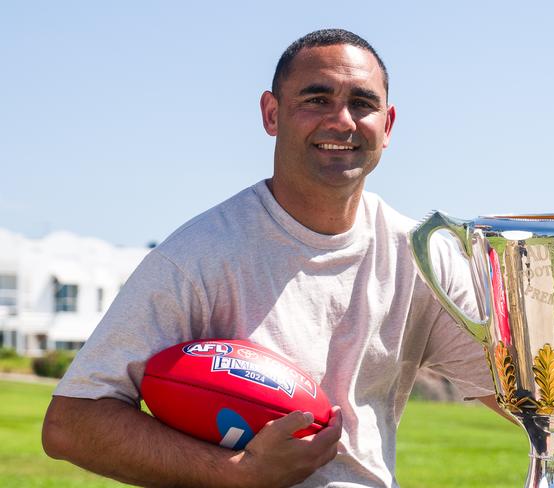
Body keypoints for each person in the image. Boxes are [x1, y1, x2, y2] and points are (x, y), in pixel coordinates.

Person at [42, 29, 504, 488]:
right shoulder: (199, 256)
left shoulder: (422, 255)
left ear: (388, 125)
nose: (342, 121)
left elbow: (524, 393)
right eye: (316, 99)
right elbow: (73, 422)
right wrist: (238, 474)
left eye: (363, 103)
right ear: (271, 113)